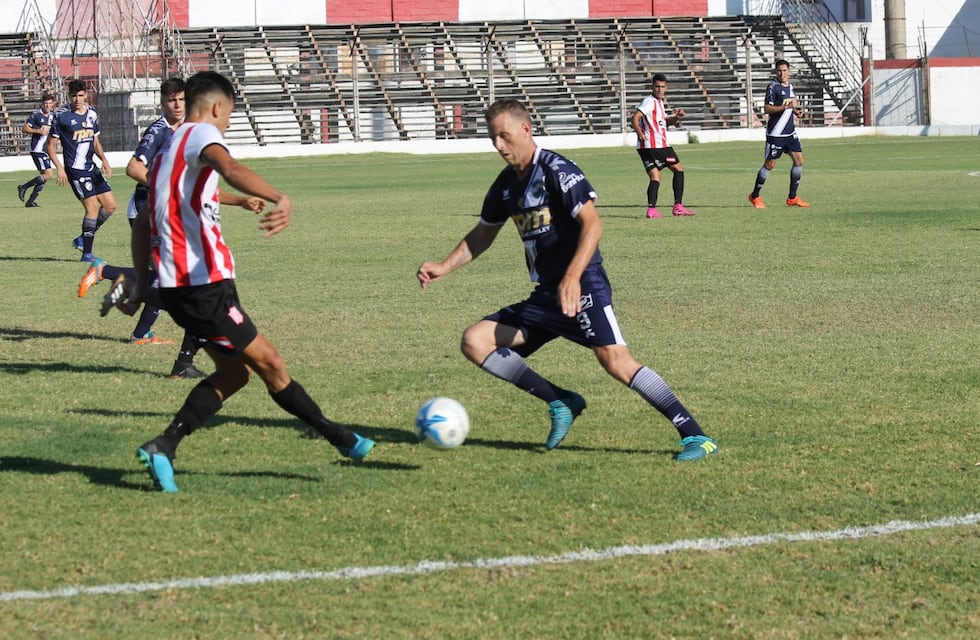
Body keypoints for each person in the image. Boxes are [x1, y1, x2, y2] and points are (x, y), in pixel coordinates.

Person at [416, 98, 717, 461]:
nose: (498, 144)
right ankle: (561, 401)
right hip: (548, 295)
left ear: (526, 129)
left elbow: (593, 224)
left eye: (504, 135)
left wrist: (573, 276)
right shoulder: (506, 185)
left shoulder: (556, 169)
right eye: (493, 137)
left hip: (583, 284)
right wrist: (444, 266)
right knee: (476, 341)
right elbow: (483, 234)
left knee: (616, 361)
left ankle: (696, 435)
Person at [121, 71, 374, 492]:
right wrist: (280, 197)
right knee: (271, 363)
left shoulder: (167, 155)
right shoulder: (201, 135)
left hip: (183, 288)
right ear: (217, 107)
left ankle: (164, 446)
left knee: (236, 373)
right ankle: (343, 439)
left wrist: (143, 283)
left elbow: (145, 220)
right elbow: (231, 167)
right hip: (203, 286)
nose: (227, 125)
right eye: (229, 116)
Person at [77, 77, 206, 378]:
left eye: (182, 99)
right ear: (163, 102)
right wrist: (165, 186)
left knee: (162, 279)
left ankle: (140, 330)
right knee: (168, 282)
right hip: (147, 214)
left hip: (167, 215)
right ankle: (107, 273)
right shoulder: (158, 130)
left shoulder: (185, 130)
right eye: (172, 100)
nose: (177, 105)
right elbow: (134, 168)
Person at [47, 79, 118, 262]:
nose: (77, 99)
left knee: (110, 206)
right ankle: (87, 253)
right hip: (75, 170)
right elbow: (50, 146)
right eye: (74, 96)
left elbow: (95, 141)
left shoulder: (92, 113)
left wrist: (104, 160)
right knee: (92, 207)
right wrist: (60, 168)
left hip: (91, 167)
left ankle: (82, 239)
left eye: (80, 95)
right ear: (69, 96)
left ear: (86, 95)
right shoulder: (61, 116)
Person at [630, 74, 694, 219]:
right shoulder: (649, 101)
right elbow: (635, 117)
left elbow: (664, 123)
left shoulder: (658, 103)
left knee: (655, 176)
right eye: (657, 86)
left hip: (644, 148)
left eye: (662, 87)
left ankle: (651, 210)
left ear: (666, 88)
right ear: (652, 87)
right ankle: (678, 206)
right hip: (657, 146)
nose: (660, 89)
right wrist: (640, 133)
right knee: (679, 169)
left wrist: (676, 118)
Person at [748, 59, 810, 208]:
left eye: (784, 70)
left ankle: (792, 198)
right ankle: (754, 196)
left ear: (789, 72)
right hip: (776, 134)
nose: (782, 73)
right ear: (776, 72)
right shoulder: (773, 87)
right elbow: (767, 108)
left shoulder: (790, 87)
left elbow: (792, 104)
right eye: (779, 71)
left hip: (789, 133)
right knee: (770, 164)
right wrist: (785, 107)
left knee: (799, 161)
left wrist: (796, 111)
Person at [17, 93, 57, 208]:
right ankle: (23, 187)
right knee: (49, 174)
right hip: (37, 149)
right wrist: (38, 131)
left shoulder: (53, 116)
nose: (48, 105)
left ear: (52, 104)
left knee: (44, 177)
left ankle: (30, 201)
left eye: (50, 103)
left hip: (45, 150)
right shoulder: (36, 115)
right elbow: (25, 128)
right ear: (42, 104)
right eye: (46, 103)